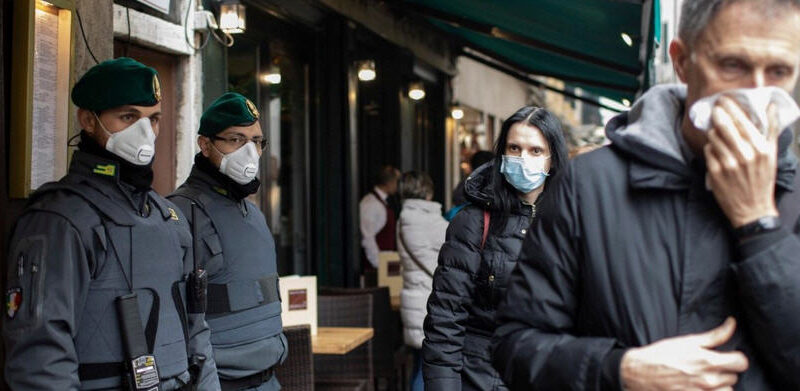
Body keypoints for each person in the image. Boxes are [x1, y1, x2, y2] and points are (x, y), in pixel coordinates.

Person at [492, 1, 800, 389]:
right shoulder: (588, 185)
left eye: (779, 72)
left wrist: (759, 223)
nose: (757, 93)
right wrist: (619, 370)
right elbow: (515, 346)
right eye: (733, 65)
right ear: (683, 62)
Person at [3, 58, 219, 389]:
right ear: (88, 120)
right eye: (128, 117)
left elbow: (196, 331)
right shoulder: (59, 220)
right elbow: (41, 358)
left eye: (154, 119)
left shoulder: (169, 218)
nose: (145, 132)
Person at [422, 106, 568, 391]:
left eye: (535, 150)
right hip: (481, 377)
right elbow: (445, 321)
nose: (523, 158)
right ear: (502, 153)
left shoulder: (572, 221)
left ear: (552, 159)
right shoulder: (474, 221)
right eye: (515, 147)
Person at [169, 92, 287, 391]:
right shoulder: (179, 214)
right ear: (205, 144)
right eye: (236, 139)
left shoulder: (255, 216)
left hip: (269, 379)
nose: (250, 151)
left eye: (257, 141)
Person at [396, 171, 449, 391]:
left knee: (420, 363)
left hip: (415, 297)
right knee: (426, 367)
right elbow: (453, 248)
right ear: (426, 191)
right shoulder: (424, 219)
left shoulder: (406, 217)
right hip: (427, 300)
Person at [360, 165, 402, 271]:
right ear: (389, 182)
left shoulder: (382, 202)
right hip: (376, 269)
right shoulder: (372, 204)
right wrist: (379, 265)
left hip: (385, 265)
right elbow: (367, 237)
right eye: (397, 182)